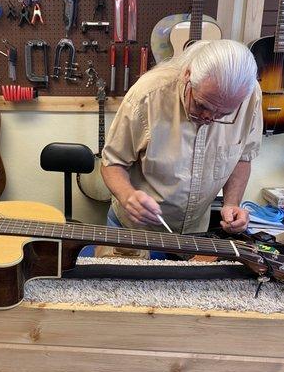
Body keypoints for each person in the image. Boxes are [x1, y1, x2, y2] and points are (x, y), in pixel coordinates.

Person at [98, 39, 262, 258]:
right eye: (202, 105)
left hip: (196, 234)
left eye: (223, 114)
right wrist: (127, 196)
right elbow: (112, 162)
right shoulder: (147, 95)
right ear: (187, 76)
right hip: (136, 231)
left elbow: (242, 156)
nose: (209, 118)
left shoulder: (249, 96)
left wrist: (232, 203)